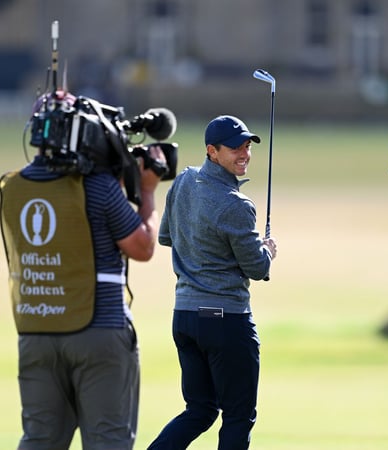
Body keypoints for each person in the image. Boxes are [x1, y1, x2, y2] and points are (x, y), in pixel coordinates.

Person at [0, 93, 166, 449]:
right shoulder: (99, 188)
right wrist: (147, 193)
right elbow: (142, 247)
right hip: (98, 331)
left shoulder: (13, 187)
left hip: (36, 331)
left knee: (40, 440)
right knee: (108, 440)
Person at [147, 115, 278, 450]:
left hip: (185, 317)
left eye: (247, 146)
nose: (244, 153)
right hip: (225, 322)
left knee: (200, 410)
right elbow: (257, 267)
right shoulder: (236, 205)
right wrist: (267, 252)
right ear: (212, 151)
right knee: (238, 416)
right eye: (235, 148)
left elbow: (166, 237)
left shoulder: (183, 181)